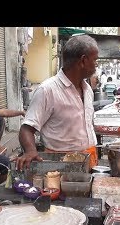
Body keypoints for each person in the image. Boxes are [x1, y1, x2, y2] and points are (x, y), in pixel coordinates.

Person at [17, 34, 99, 170]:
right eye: (95, 60)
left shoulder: (87, 88)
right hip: (61, 164)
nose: (96, 65)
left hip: (90, 158)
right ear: (83, 61)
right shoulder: (47, 90)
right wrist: (31, 151)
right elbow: (26, 129)